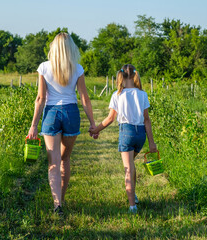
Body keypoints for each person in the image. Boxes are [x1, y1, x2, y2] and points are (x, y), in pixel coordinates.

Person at [27, 32, 97, 216]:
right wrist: (92, 124)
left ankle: (57, 204)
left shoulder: (44, 67)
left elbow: (40, 98)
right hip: (71, 113)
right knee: (65, 159)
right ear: (71, 49)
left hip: (51, 114)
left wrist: (34, 125)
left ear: (53, 48)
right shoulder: (77, 68)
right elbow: (84, 98)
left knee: (53, 163)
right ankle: (62, 199)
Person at [90, 64, 157, 214]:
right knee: (131, 165)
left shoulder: (117, 95)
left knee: (128, 168)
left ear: (120, 76)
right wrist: (152, 143)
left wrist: (96, 130)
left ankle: (132, 206)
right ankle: (133, 194)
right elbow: (147, 120)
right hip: (140, 135)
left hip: (126, 132)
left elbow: (110, 119)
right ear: (135, 75)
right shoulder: (143, 94)